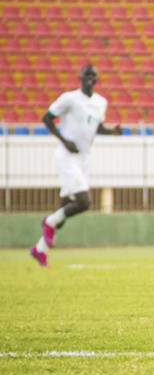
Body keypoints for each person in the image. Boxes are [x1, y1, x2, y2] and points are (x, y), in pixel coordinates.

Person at [31, 65, 122, 268]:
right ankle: (48, 223)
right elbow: (47, 118)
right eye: (87, 75)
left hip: (84, 159)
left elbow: (97, 128)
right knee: (83, 201)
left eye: (93, 76)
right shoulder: (69, 98)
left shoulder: (101, 102)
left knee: (65, 208)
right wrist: (64, 141)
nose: (90, 78)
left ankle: (39, 249)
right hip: (66, 157)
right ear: (80, 77)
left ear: (97, 80)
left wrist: (112, 132)